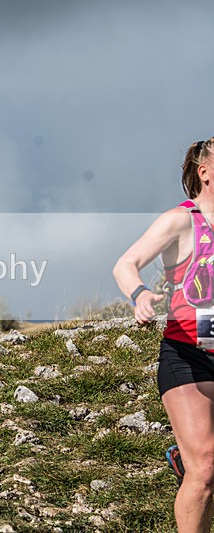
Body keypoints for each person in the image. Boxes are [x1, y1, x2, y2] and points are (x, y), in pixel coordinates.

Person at [113, 137, 214, 532]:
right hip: (188, 351)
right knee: (205, 470)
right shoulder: (182, 220)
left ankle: (184, 454)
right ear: (205, 172)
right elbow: (126, 263)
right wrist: (139, 294)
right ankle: (192, 459)